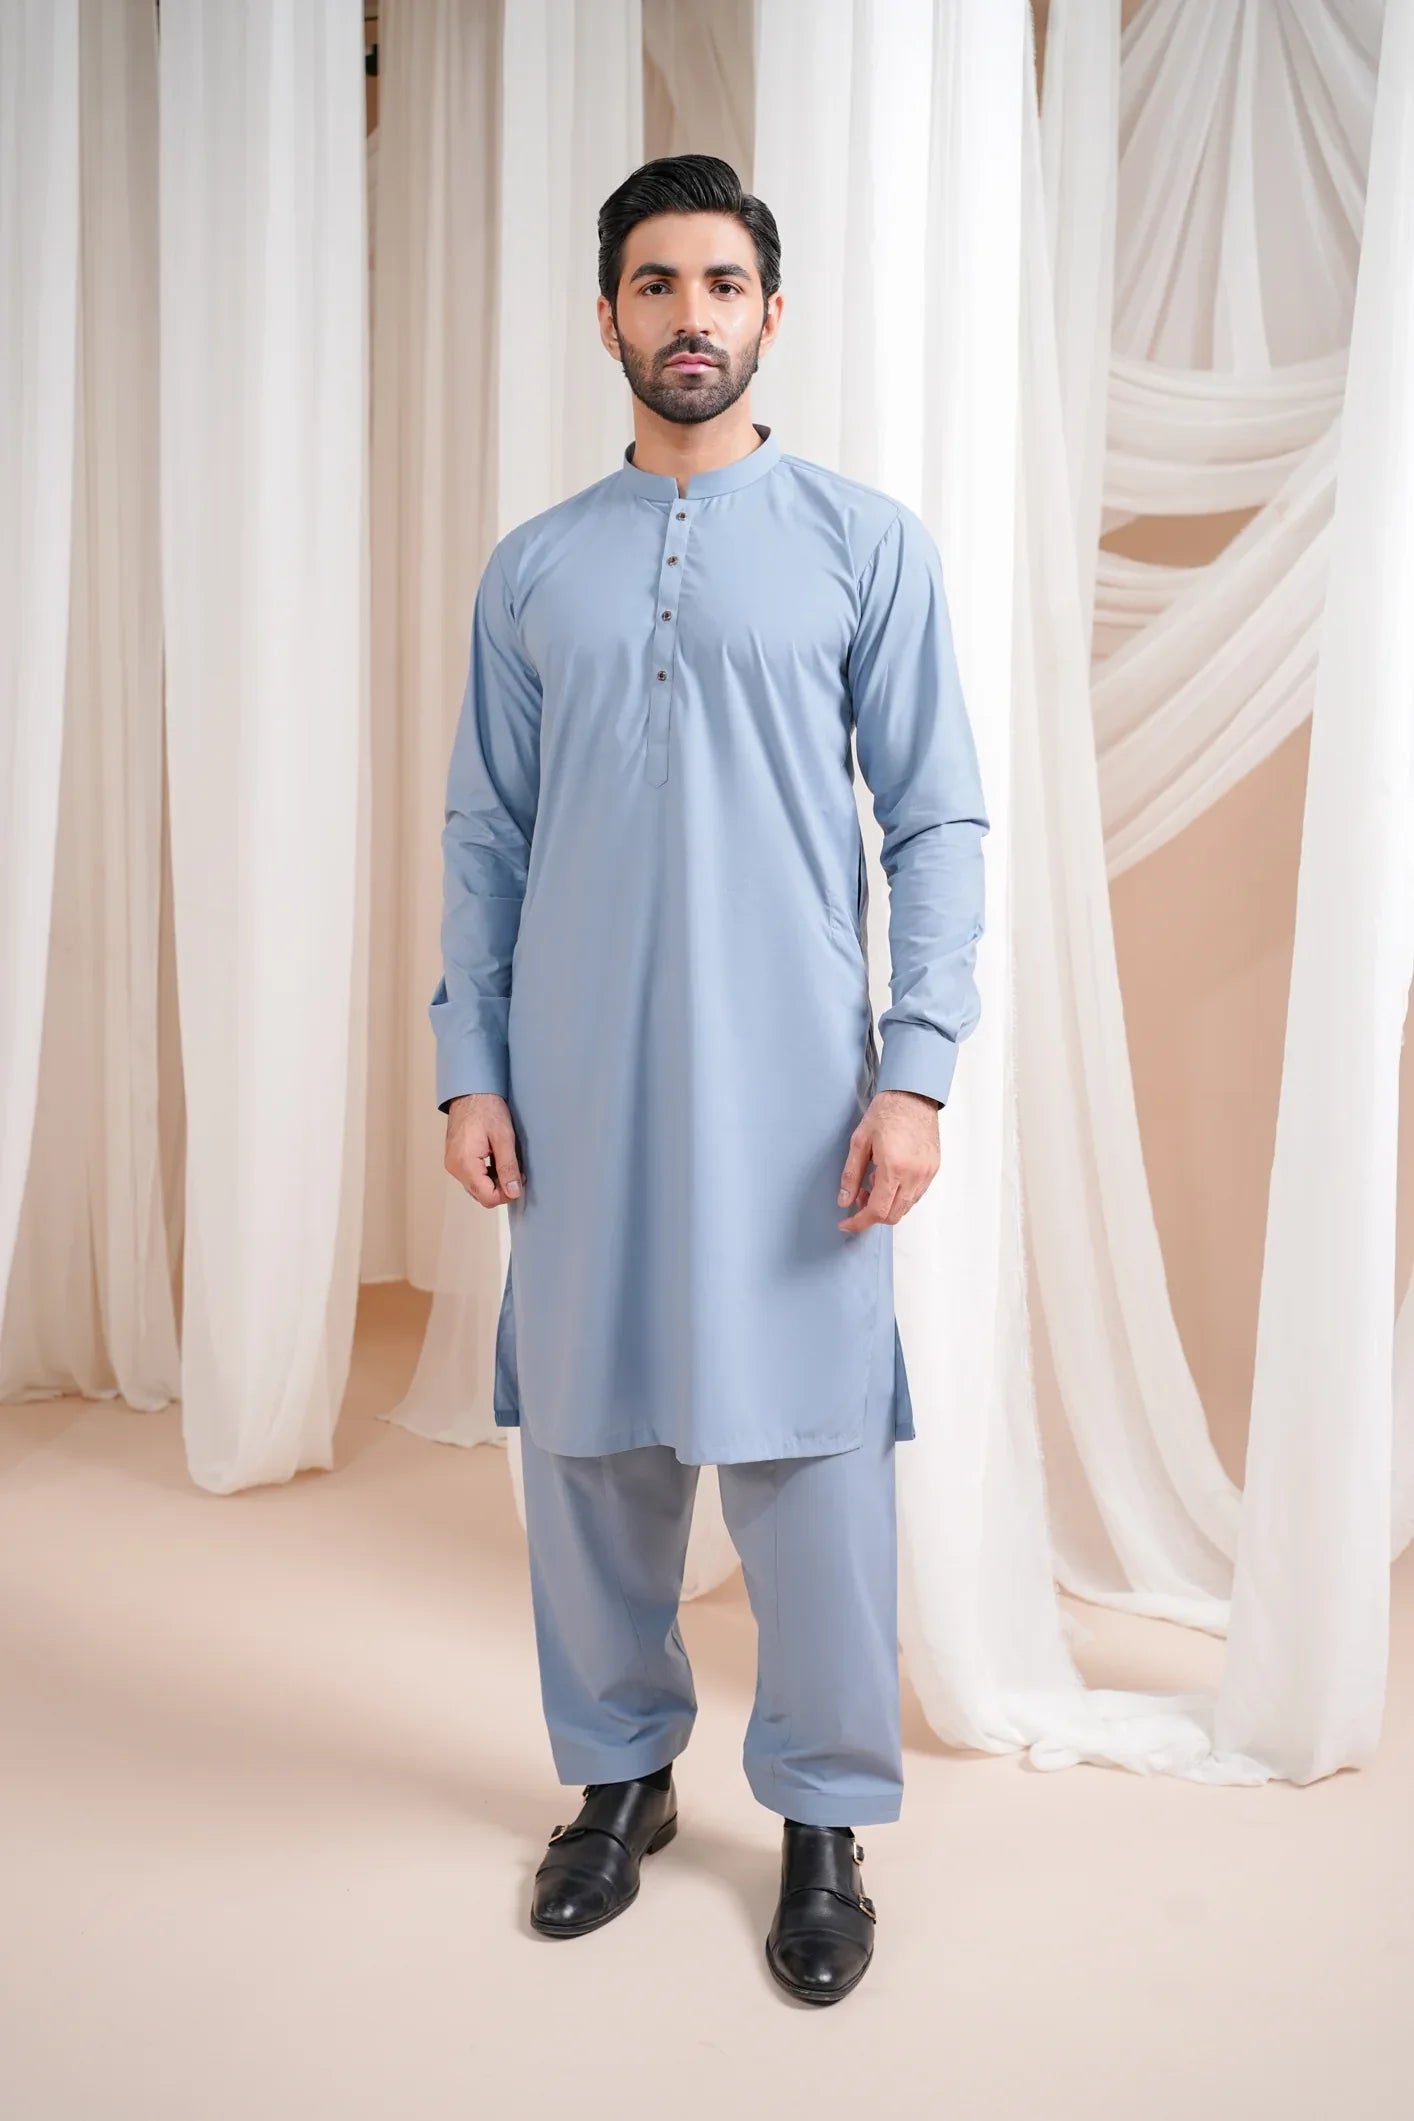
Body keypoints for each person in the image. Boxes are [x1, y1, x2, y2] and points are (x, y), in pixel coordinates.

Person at [430, 153, 988, 2006]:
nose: (689, 318)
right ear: (608, 319)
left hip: (795, 1107)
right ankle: (615, 1781)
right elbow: (484, 835)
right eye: (654, 287)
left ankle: (823, 1820)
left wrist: (913, 1072)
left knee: (811, 1457)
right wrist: (468, 1065)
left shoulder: (861, 541)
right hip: (575, 1092)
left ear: (768, 315)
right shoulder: (539, 565)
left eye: (720, 286)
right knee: (589, 1443)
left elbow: (937, 817)